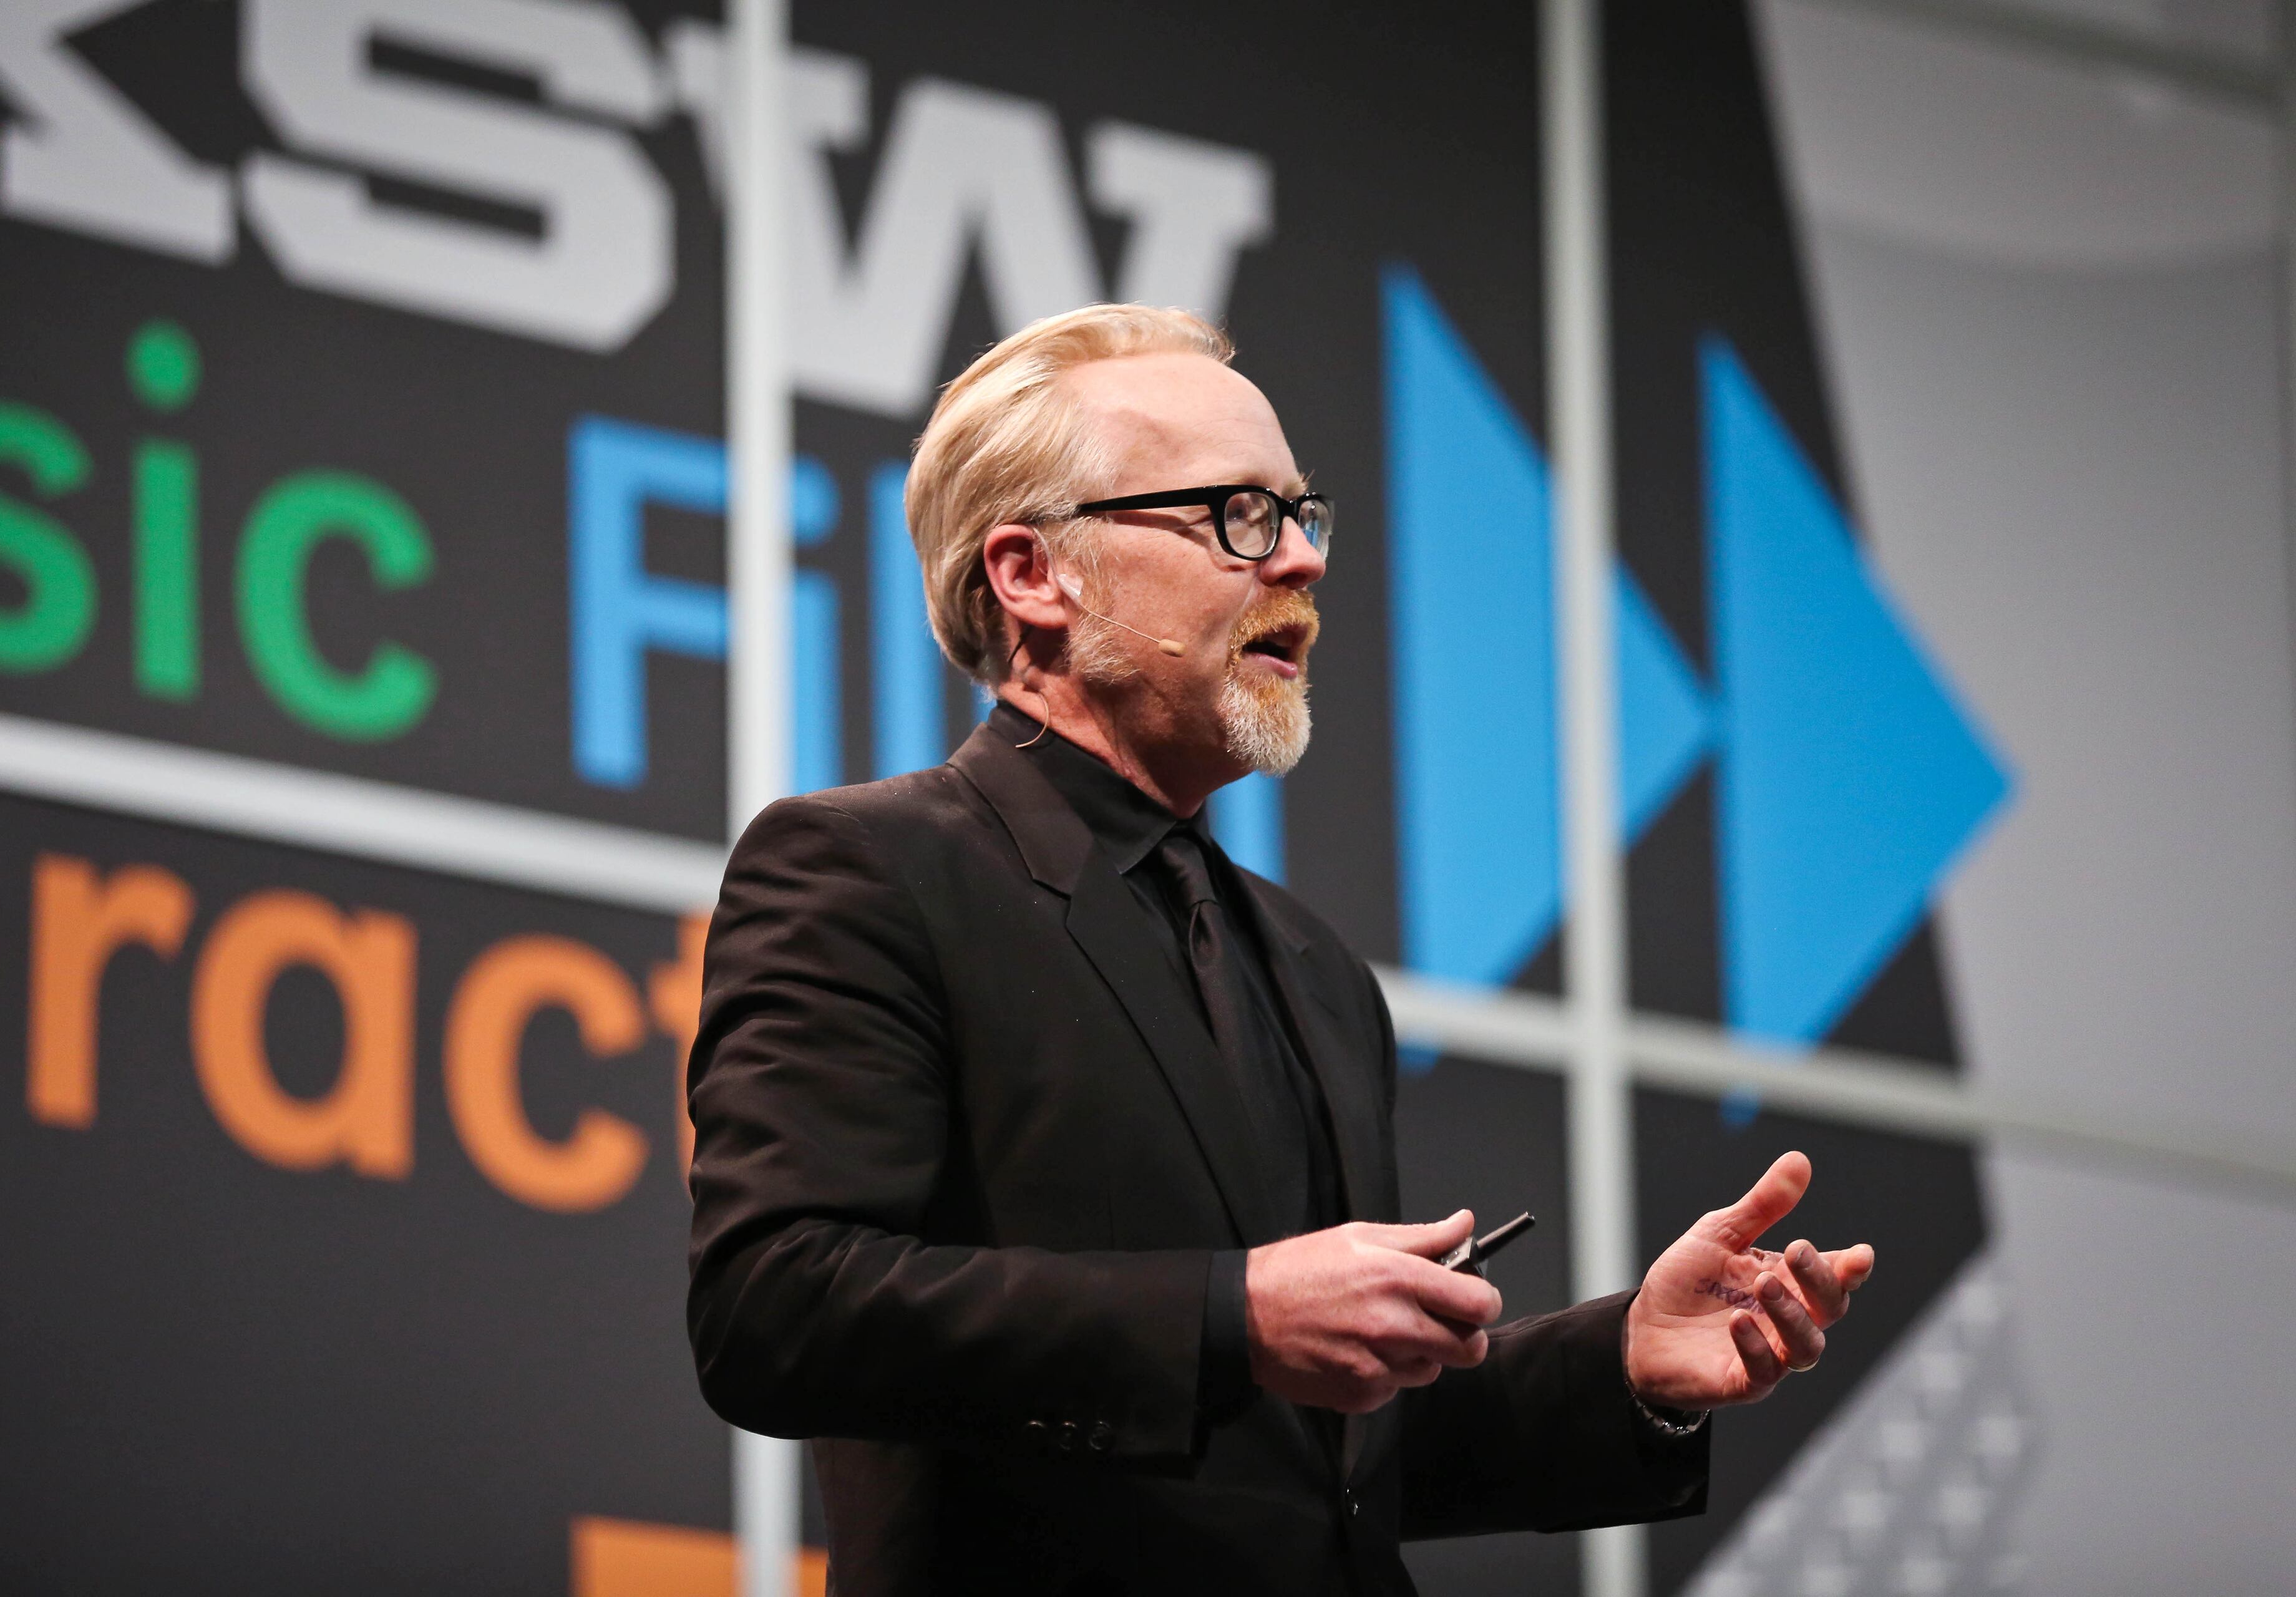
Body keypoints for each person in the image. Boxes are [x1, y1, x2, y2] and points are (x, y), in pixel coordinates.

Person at [684, 304, 1875, 1596]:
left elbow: (1330, 1461)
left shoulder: (1318, 969)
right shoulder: (872, 870)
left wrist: (1623, 1363)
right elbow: (775, 1307)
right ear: (1033, 574)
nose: (1302, 561)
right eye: (1240, 517)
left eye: (1306, 515)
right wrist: (1231, 1313)